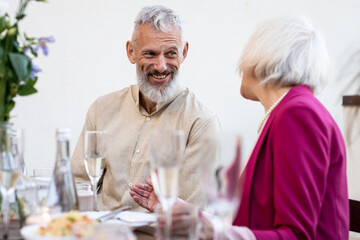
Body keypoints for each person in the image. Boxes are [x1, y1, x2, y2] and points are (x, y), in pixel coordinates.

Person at [131, 15, 349, 239]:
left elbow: (297, 235)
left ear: (264, 58)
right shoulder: (289, 111)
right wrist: (186, 214)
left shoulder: (298, 115)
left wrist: (215, 232)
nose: (240, 67)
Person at [71, 5, 221, 212]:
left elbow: (192, 218)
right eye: (150, 54)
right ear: (131, 52)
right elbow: (77, 188)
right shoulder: (101, 109)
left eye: (170, 53)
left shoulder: (201, 123)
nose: (161, 66)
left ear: (184, 52)